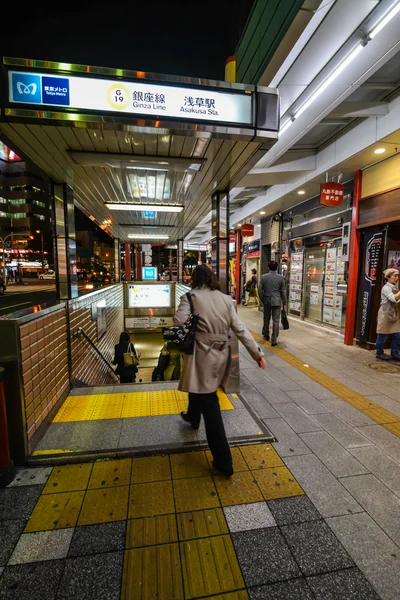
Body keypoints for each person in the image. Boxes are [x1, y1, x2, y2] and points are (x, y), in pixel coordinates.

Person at [174, 264, 266, 477]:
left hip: (201, 355)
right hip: (221, 354)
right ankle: (192, 416)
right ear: (212, 278)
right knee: (203, 388)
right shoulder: (226, 299)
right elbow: (240, 329)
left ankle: (224, 461)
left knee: (211, 406)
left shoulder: (190, 297)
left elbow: (179, 321)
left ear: (195, 279)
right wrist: (257, 353)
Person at [258, 260, 286, 346]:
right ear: (277, 268)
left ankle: (266, 334)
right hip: (277, 301)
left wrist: (263, 299)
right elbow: (283, 292)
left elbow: (260, 290)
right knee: (276, 320)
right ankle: (274, 339)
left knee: (266, 318)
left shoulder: (263, 277)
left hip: (267, 300)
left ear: (268, 267)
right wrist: (284, 303)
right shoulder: (281, 278)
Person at [376, 268, 400, 361]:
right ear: (389, 277)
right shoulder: (386, 288)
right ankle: (379, 353)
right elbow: (393, 298)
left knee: (397, 334)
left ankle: (395, 353)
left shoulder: (395, 287)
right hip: (385, 314)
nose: (397, 278)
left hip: (395, 314)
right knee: (382, 335)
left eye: (398, 276)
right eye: (395, 276)